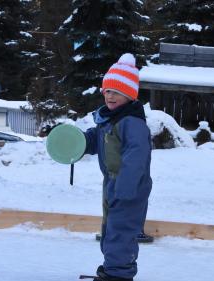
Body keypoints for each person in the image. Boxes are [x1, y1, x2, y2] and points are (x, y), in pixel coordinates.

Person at [83, 53, 152, 281]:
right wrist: (76, 143)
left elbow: (136, 157)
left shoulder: (132, 122)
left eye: (117, 91)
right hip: (113, 184)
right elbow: (95, 140)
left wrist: (124, 188)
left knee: (121, 232)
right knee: (110, 230)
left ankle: (119, 275)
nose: (110, 96)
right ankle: (112, 269)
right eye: (107, 91)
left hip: (129, 188)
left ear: (130, 94)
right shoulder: (110, 120)